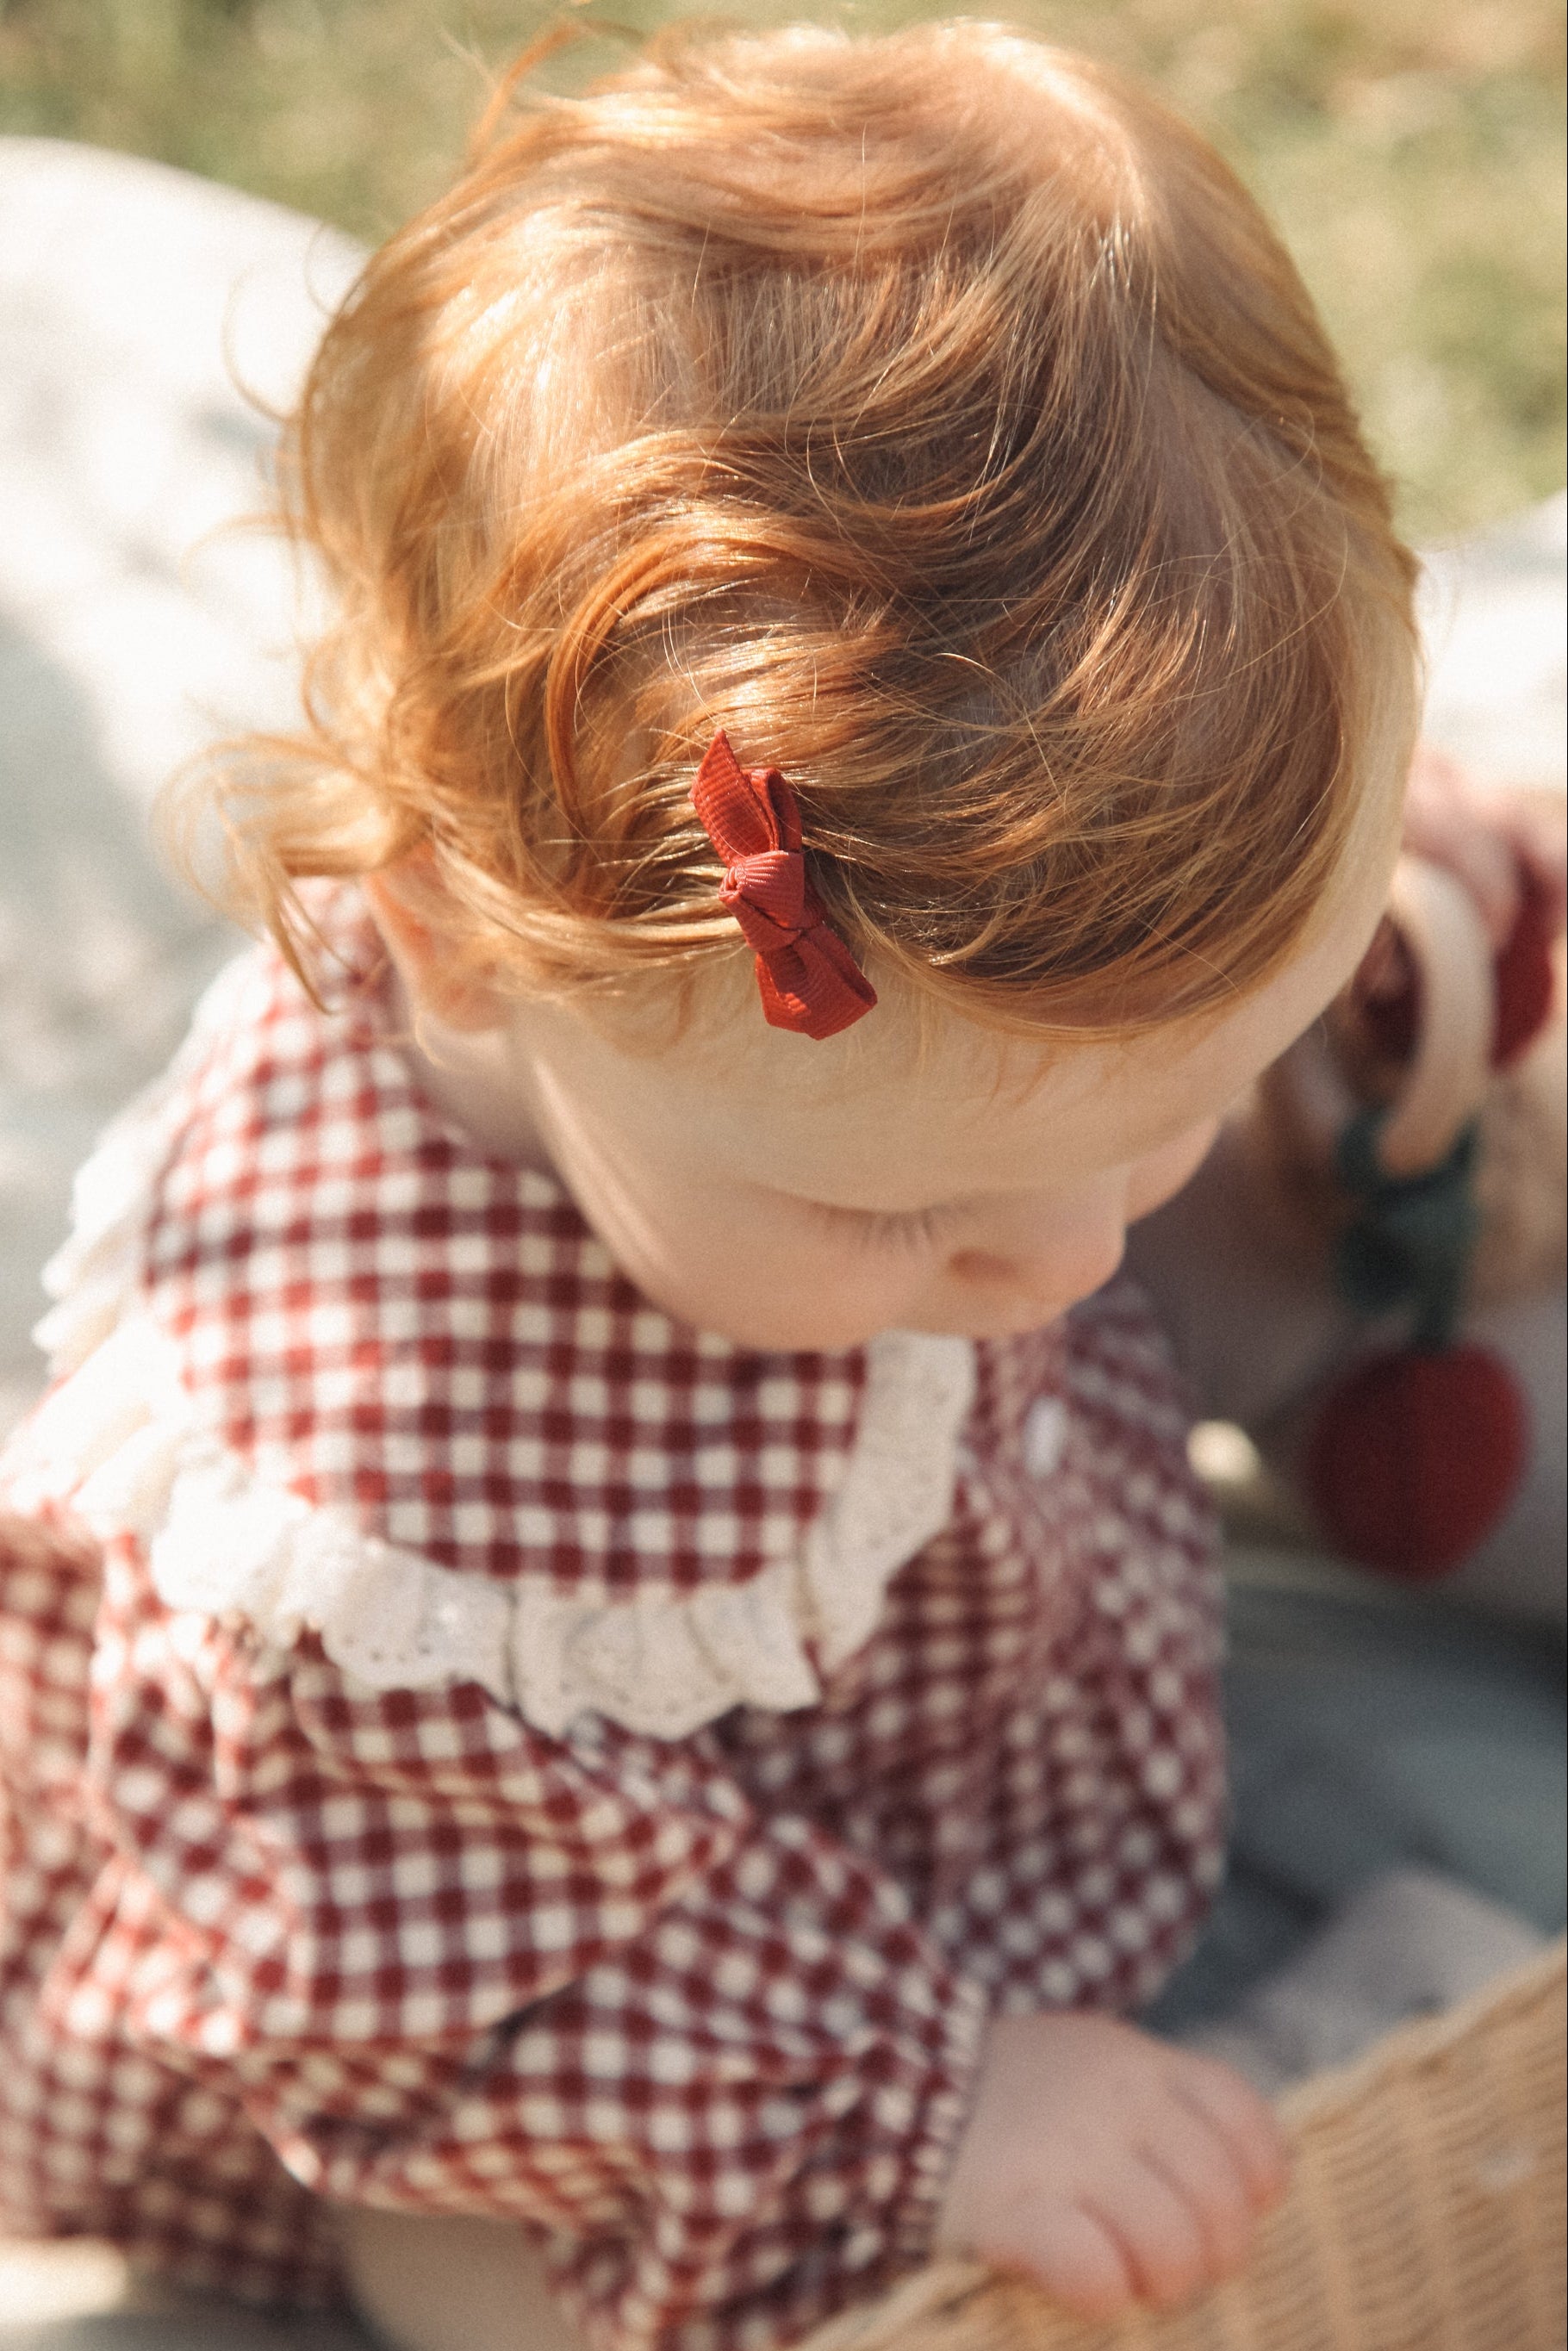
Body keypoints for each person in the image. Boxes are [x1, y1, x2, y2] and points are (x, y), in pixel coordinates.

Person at [0, 23, 1552, 2351]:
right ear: (461, 947)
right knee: (503, 2268)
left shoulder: (915, 1062)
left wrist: (1334, 945)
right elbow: (418, 2002)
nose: (1071, 1261)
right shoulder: (365, 1526)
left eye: (1157, 1117)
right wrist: (939, 2095)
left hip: (935, 1732)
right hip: (551, 2025)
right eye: (910, 1218)